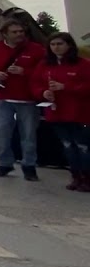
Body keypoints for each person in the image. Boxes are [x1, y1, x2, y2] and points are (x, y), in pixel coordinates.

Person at [0, 17, 46, 181]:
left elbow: (44, 72)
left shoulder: (36, 49)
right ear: (4, 34)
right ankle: (5, 163)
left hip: (28, 99)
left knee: (29, 135)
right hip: (2, 97)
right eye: (14, 32)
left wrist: (25, 72)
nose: (19, 34)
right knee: (0, 132)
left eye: (21, 31)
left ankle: (29, 165)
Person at [31, 32, 90, 191]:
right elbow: (35, 84)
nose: (56, 47)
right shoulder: (45, 65)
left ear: (69, 45)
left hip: (80, 113)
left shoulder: (82, 64)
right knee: (67, 145)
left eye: (60, 44)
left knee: (83, 146)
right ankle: (75, 176)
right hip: (57, 112)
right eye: (53, 44)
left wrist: (66, 87)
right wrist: (43, 92)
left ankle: (87, 177)